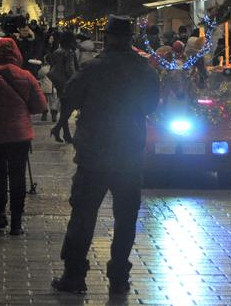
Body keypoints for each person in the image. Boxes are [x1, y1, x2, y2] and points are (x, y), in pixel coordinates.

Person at [51, 15, 160, 295]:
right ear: (130, 37)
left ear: (108, 37)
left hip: (94, 154)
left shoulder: (92, 68)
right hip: (129, 154)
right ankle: (119, 278)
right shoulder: (144, 70)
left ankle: (74, 276)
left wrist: (63, 121)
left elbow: (69, 97)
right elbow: (150, 106)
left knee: (83, 216)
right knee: (126, 218)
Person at [0, 38, 47, 235]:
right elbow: (41, 105)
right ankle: (17, 221)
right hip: (19, 135)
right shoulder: (26, 76)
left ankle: (0, 215)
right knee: (18, 176)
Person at [49, 31, 78, 143]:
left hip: (59, 83)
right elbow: (70, 69)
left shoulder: (57, 51)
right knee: (69, 108)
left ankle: (65, 134)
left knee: (65, 108)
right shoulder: (69, 52)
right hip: (68, 84)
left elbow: (53, 66)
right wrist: (76, 81)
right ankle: (57, 129)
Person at [38, 54, 59, 122]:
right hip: (53, 88)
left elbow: (39, 75)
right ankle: (54, 116)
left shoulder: (44, 69)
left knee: (44, 102)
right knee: (53, 103)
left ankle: (44, 115)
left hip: (45, 88)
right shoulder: (55, 68)